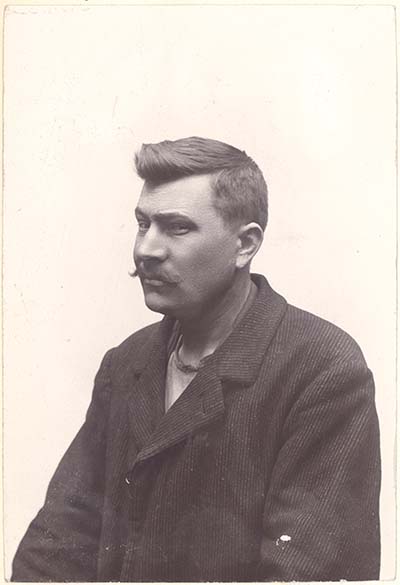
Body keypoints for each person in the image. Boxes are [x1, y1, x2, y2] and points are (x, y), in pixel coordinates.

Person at [12, 137, 381, 582]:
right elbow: (55, 546)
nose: (146, 249)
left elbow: (305, 573)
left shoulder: (322, 369)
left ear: (245, 245)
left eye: (177, 228)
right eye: (143, 224)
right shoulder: (126, 363)